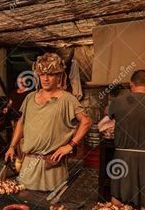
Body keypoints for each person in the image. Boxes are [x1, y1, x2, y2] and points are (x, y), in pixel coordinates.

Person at [5, 53, 92, 191]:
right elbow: (21, 122)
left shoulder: (67, 99)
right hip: (29, 164)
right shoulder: (29, 98)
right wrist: (12, 146)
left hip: (52, 165)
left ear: (59, 76)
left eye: (50, 74)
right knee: (25, 201)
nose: (45, 78)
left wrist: (70, 146)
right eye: (42, 74)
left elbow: (86, 122)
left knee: (53, 208)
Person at [108, 70, 145, 210]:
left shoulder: (118, 102)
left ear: (131, 84)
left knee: (117, 202)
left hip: (122, 158)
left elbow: (108, 119)